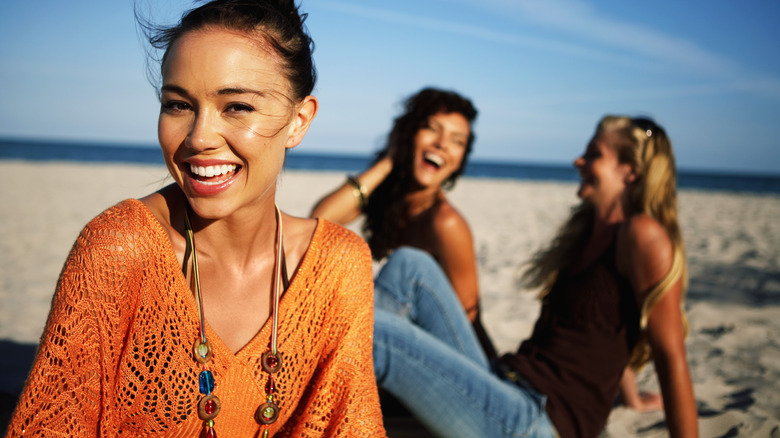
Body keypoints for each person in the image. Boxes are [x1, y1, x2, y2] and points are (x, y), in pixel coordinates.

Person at [7, 1, 385, 436]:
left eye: (237, 106)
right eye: (178, 105)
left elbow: (350, 423)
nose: (199, 137)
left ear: (298, 121)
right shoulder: (119, 249)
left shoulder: (336, 267)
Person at [372, 116, 698, 437]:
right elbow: (610, 333)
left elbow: (670, 355)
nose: (578, 160)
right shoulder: (589, 232)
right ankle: (360, 396)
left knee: (374, 332)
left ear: (629, 172)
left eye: (594, 154)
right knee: (410, 265)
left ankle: (339, 404)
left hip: (538, 422)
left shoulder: (643, 235)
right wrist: (633, 399)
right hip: (507, 385)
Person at [311, 87, 496, 358]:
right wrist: (390, 160)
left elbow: (467, 324)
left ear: (460, 161)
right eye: (432, 129)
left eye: (457, 141)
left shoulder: (446, 223)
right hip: (400, 349)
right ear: (409, 134)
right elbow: (321, 219)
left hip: (447, 364)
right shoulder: (391, 201)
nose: (442, 144)